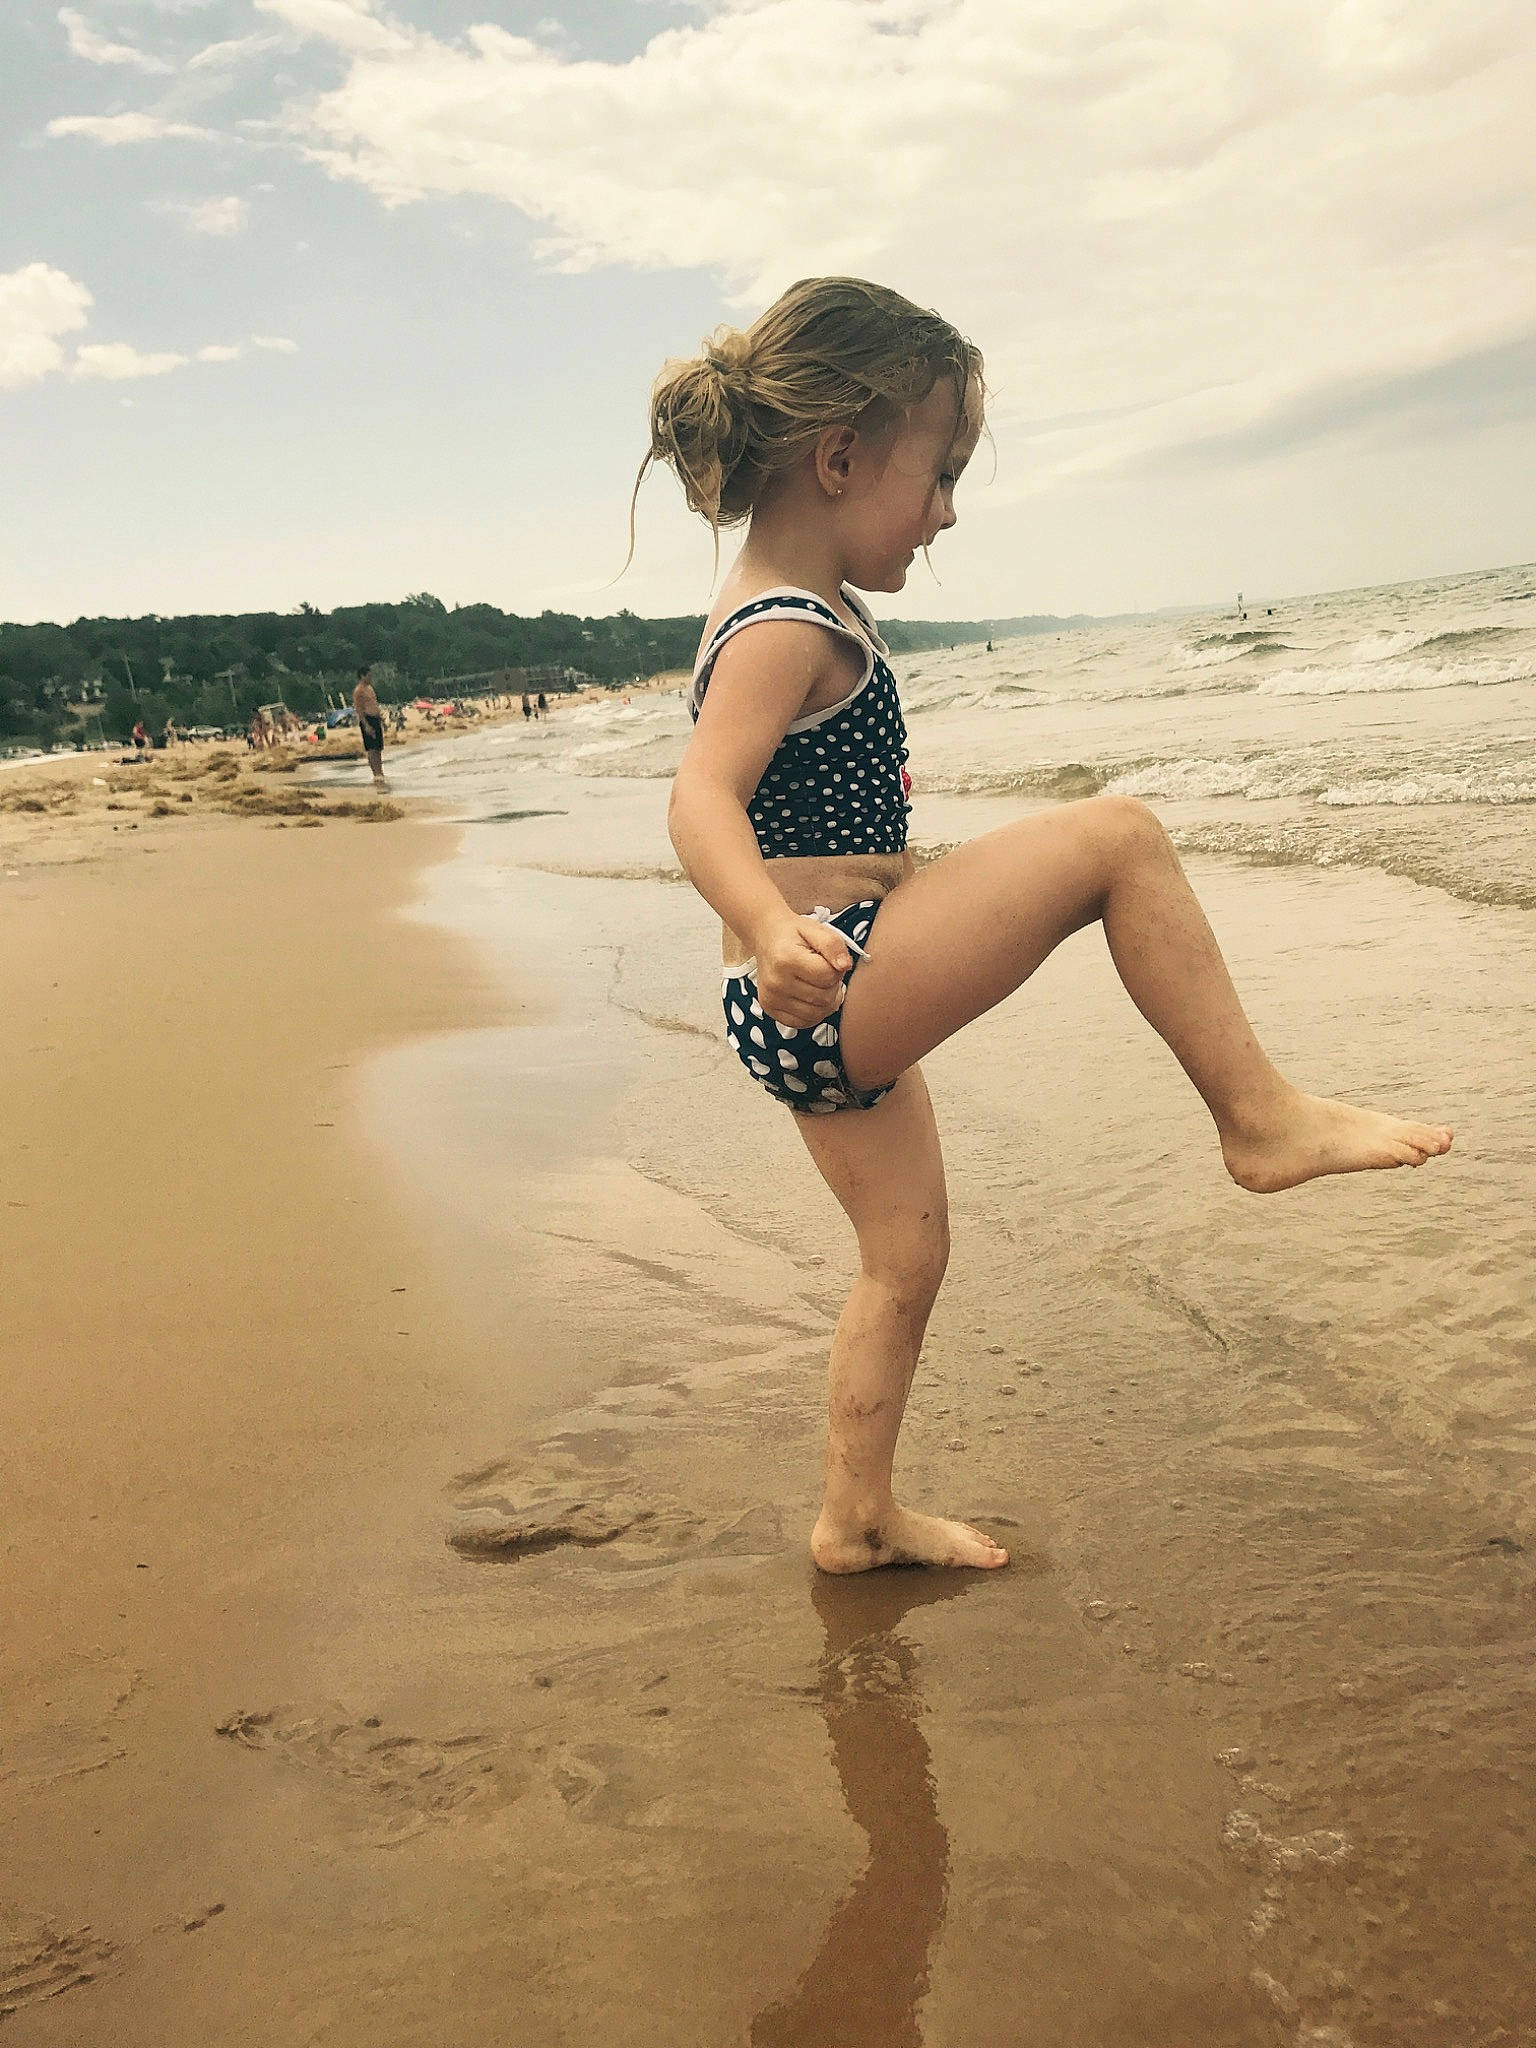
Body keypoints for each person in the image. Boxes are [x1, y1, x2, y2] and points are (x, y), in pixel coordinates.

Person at [653, 276, 1453, 1577]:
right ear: (841, 456)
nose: (952, 508)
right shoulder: (781, 627)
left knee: (905, 1259)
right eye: (944, 469)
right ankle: (1259, 1121)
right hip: (826, 976)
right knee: (1117, 840)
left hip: (808, 989)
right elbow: (699, 800)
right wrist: (760, 916)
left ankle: (853, 1515)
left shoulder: (790, 605)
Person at [352, 664, 388, 790]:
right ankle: (375, 773)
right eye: (369, 675)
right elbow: (359, 709)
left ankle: (380, 771)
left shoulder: (369, 688)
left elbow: (375, 704)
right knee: (372, 748)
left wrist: (382, 720)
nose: (371, 677)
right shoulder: (359, 690)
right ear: (362, 676)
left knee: (378, 748)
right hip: (367, 719)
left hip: (375, 718)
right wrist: (366, 725)